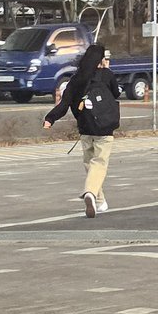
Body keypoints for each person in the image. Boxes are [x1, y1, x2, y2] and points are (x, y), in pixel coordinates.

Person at [43, 43, 121, 218]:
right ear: (101, 60)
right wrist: (106, 70)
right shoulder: (106, 75)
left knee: (90, 164)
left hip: (85, 128)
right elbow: (116, 93)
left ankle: (100, 202)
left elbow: (63, 104)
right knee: (99, 164)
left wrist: (50, 119)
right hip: (104, 129)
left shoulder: (75, 80)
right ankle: (90, 194)